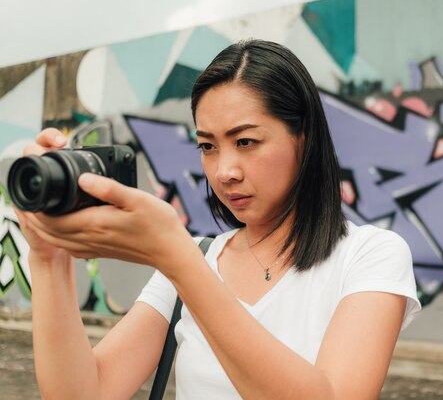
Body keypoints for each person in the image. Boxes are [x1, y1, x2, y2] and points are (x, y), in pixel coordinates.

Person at [16, 39, 419, 400]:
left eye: (246, 141)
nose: (225, 170)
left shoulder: (370, 255)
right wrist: (49, 258)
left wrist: (179, 262)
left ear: (304, 137)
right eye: (208, 146)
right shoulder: (196, 259)